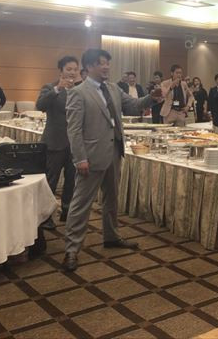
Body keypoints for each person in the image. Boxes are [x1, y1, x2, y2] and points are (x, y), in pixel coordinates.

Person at [63, 49, 161, 272]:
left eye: (107, 63)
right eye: (101, 63)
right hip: (91, 157)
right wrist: (80, 158)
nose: (106, 67)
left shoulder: (114, 88)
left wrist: (152, 98)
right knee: (81, 204)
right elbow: (74, 130)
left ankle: (111, 236)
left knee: (112, 199)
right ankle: (71, 249)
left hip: (114, 152)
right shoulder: (78, 93)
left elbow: (133, 105)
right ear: (89, 67)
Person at [36, 56, 79, 227]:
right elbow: (40, 105)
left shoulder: (80, 89)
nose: (72, 72)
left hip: (75, 144)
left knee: (72, 180)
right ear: (61, 71)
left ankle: (67, 212)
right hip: (55, 142)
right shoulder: (50, 87)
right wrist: (57, 89)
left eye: (75, 69)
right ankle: (45, 216)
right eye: (69, 69)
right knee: (50, 181)